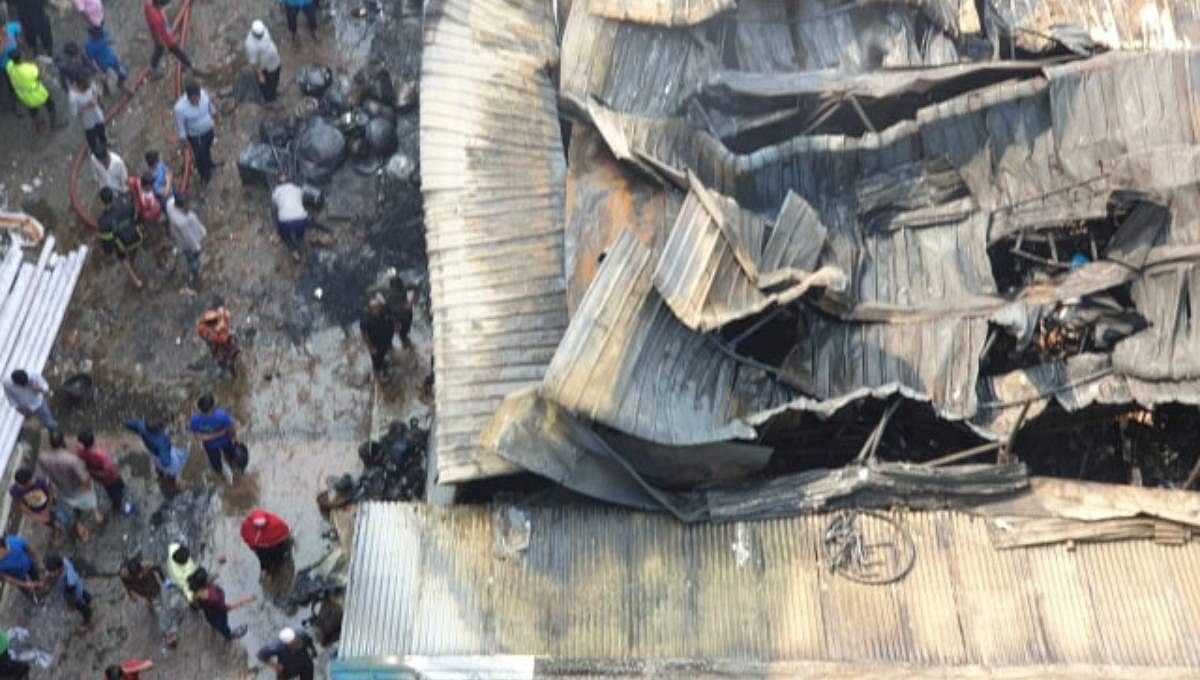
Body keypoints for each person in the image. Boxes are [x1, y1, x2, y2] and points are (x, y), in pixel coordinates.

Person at [37, 430, 99, 532]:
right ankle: (95, 513)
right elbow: (84, 478)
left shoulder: (42, 457)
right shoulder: (72, 460)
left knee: (72, 504)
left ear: (50, 443)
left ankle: (79, 518)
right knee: (90, 501)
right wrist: (88, 488)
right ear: (63, 441)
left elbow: (46, 473)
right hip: (78, 489)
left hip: (63, 490)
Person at [75, 430, 135, 517]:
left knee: (114, 491)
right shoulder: (102, 455)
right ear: (93, 440)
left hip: (100, 479)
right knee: (117, 495)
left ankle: (116, 504)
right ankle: (117, 509)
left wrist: (89, 472)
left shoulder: (80, 452)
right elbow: (107, 473)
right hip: (111, 480)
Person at [9, 468, 79, 540]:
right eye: (30, 481)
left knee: (62, 517)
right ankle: (56, 528)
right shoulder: (14, 491)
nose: (33, 480)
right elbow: (20, 505)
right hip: (37, 511)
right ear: (22, 485)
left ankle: (75, 527)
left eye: (32, 478)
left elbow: (51, 493)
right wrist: (35, 516)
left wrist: (47, 510)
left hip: (51, 504)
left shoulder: (41, 480)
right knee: (48, 521)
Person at [97, 186, 145, 289]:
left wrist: (107, 252)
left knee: (122, 258)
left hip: (124, 245)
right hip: (137, 237)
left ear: (102, 202)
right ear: (113, 197)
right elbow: (137, 218)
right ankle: (133, 256)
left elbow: (107, 242)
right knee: (133, 248)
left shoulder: (103, 221)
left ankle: (136, 281)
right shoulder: (126, 204)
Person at [123, 418, 187, 493]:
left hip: (153, 453)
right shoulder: (161, 442)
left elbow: (127, 423)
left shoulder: (142, 426)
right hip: (163, 457)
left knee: (159, 469)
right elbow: (166, 462)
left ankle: (162, 480)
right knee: (171, 470)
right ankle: (172, 487)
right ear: (158, 430)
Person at [188, 568, 252, 641]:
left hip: (209, 614)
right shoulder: (214, 598)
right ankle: (229, 636)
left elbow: (196, 601)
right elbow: (226, 608)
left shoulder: (195, 591)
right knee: (223, 626)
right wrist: (244, 601)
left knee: (213, 622)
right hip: (218, 615)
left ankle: (219, 629)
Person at [173, 81, 218, 185]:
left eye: (197, 98)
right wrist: (186, 143)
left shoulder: (203, 94)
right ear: (188, 97)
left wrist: (215, 115)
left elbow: (210, 106)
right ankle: (204, 175)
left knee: (207, 148)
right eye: (194, 99)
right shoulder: (179, 108)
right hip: (196, 137)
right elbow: (181, 127)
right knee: (200, 156)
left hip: (208, 131)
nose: (196, 101)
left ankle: (210, 164)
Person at [190, 394, 241, 477]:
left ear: (199, 408)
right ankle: (235, 471)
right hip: (225, 441)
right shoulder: (222, 415)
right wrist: (234, 438)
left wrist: (211, 436)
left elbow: (198, 438)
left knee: (216, 465)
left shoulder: (195, 419)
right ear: (212, 406)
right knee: (232, 459)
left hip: (210, 446)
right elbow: (231, 429)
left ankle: (221, 476)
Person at [5, 49, 55, 132]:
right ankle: (53, 125)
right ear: (21, 58)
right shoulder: (29, 69)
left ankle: (38, 126)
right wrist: (43, 67)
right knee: (50, 105)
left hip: (23, 95)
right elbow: (40, 75)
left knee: (32, 110)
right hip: (37, 93)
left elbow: (11, 63)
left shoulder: (9, 66)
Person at [166, 192, 205, 288]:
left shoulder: (169, 204)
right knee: (193, 258)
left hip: (178, 236)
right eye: (187, 204)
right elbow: (189, 238)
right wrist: (197, 247)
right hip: (187, 243)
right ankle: (195, 273)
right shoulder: (182, 222)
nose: (189, 206)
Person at [144, 0, 193, 74]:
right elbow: (163, 33)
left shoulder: (148, 5)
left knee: (159, 49)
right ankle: (188, 65)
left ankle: (152, 67)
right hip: (163, 35)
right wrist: (170, 41)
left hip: (156, 33)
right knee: (175, 49)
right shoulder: (157, 18)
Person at [43, 555, 92, 629]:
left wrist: (71, 604)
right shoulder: (63, 561)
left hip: (76, 595)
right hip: (78, 586)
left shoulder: (70, 581)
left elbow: (71, 596)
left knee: (82, 607)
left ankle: (87, 621)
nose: (50, 574)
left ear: (60, 568)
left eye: (52, 572)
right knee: (84, 594)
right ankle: (88, 599)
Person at [371, 270, 414, 350]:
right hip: (393, 314)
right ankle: (391, 348)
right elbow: (372, 292)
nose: (396, 290)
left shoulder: (403, 289)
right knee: (388, 333)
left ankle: (408, 347)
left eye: (398, 288)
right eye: (394, 288)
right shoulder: (386, 292)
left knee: (403, 334)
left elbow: (415, 288)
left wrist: (412, 302)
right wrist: (379, 303)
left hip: (405, 315)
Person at [84, 25, 131, 96]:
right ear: (92, 35)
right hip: (101, 64)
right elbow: (92, 60)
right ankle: (106, 90)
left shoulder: (102, 32)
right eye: (97, 35)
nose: (99, 36)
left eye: (100, 34)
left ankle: (120, 84)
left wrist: (110, 42)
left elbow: (105, 40)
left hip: (111, 57)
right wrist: (99, 71)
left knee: (123, 73)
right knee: (103, 78)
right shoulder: (89, 45)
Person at [272, 175, 309, 260]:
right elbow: (301, 198)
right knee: (300, 231)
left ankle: (294, 251)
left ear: (278, 183)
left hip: (286, 221)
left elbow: (274, 202)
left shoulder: (277, 191)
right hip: (302, 218)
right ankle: (300, 240)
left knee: (284, 235)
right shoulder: (297, 189)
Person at [68, 75, 105, 158]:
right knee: (92, 137)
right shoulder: (73, 97)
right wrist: (87, 106)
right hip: (88, 121)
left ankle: (104, 144)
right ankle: (95, 152)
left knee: (101, 131)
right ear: (79, 85)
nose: (86, 89)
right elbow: (74, 113)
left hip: (97, 114)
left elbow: (96, 91)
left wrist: (96, 98)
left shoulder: (89, 84)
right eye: (84, 88)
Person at [196, 302, 237, 374]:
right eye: (210, 322)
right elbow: (203, 333)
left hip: (228, 345)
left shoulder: (222, 323)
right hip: (218, 348)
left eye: (214, 321)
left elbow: (225, 337)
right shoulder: (203, 328)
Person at [244, 20, 280, 103]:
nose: (261, 35)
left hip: (275, 61)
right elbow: (253, 62)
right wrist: (260, 75)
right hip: (266, 67)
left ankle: (274, 91)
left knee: (275, 79)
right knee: (268, 83)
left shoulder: (264, 30)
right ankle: (269, 99)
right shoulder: (250, 45)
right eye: (259, 35)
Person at [359, 294, 395, 375]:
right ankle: (377, 380)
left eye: (378, 307)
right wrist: (371, 347)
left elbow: (391, 323)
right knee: (377, 365)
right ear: (370, 309)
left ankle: (386, 372)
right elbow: (365, 335)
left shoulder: (384, 314)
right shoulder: (366, 320)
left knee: (388, 360)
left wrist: (395, 327)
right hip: (375, 344)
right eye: (374, 308)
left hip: (386, 341)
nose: (376, 309)